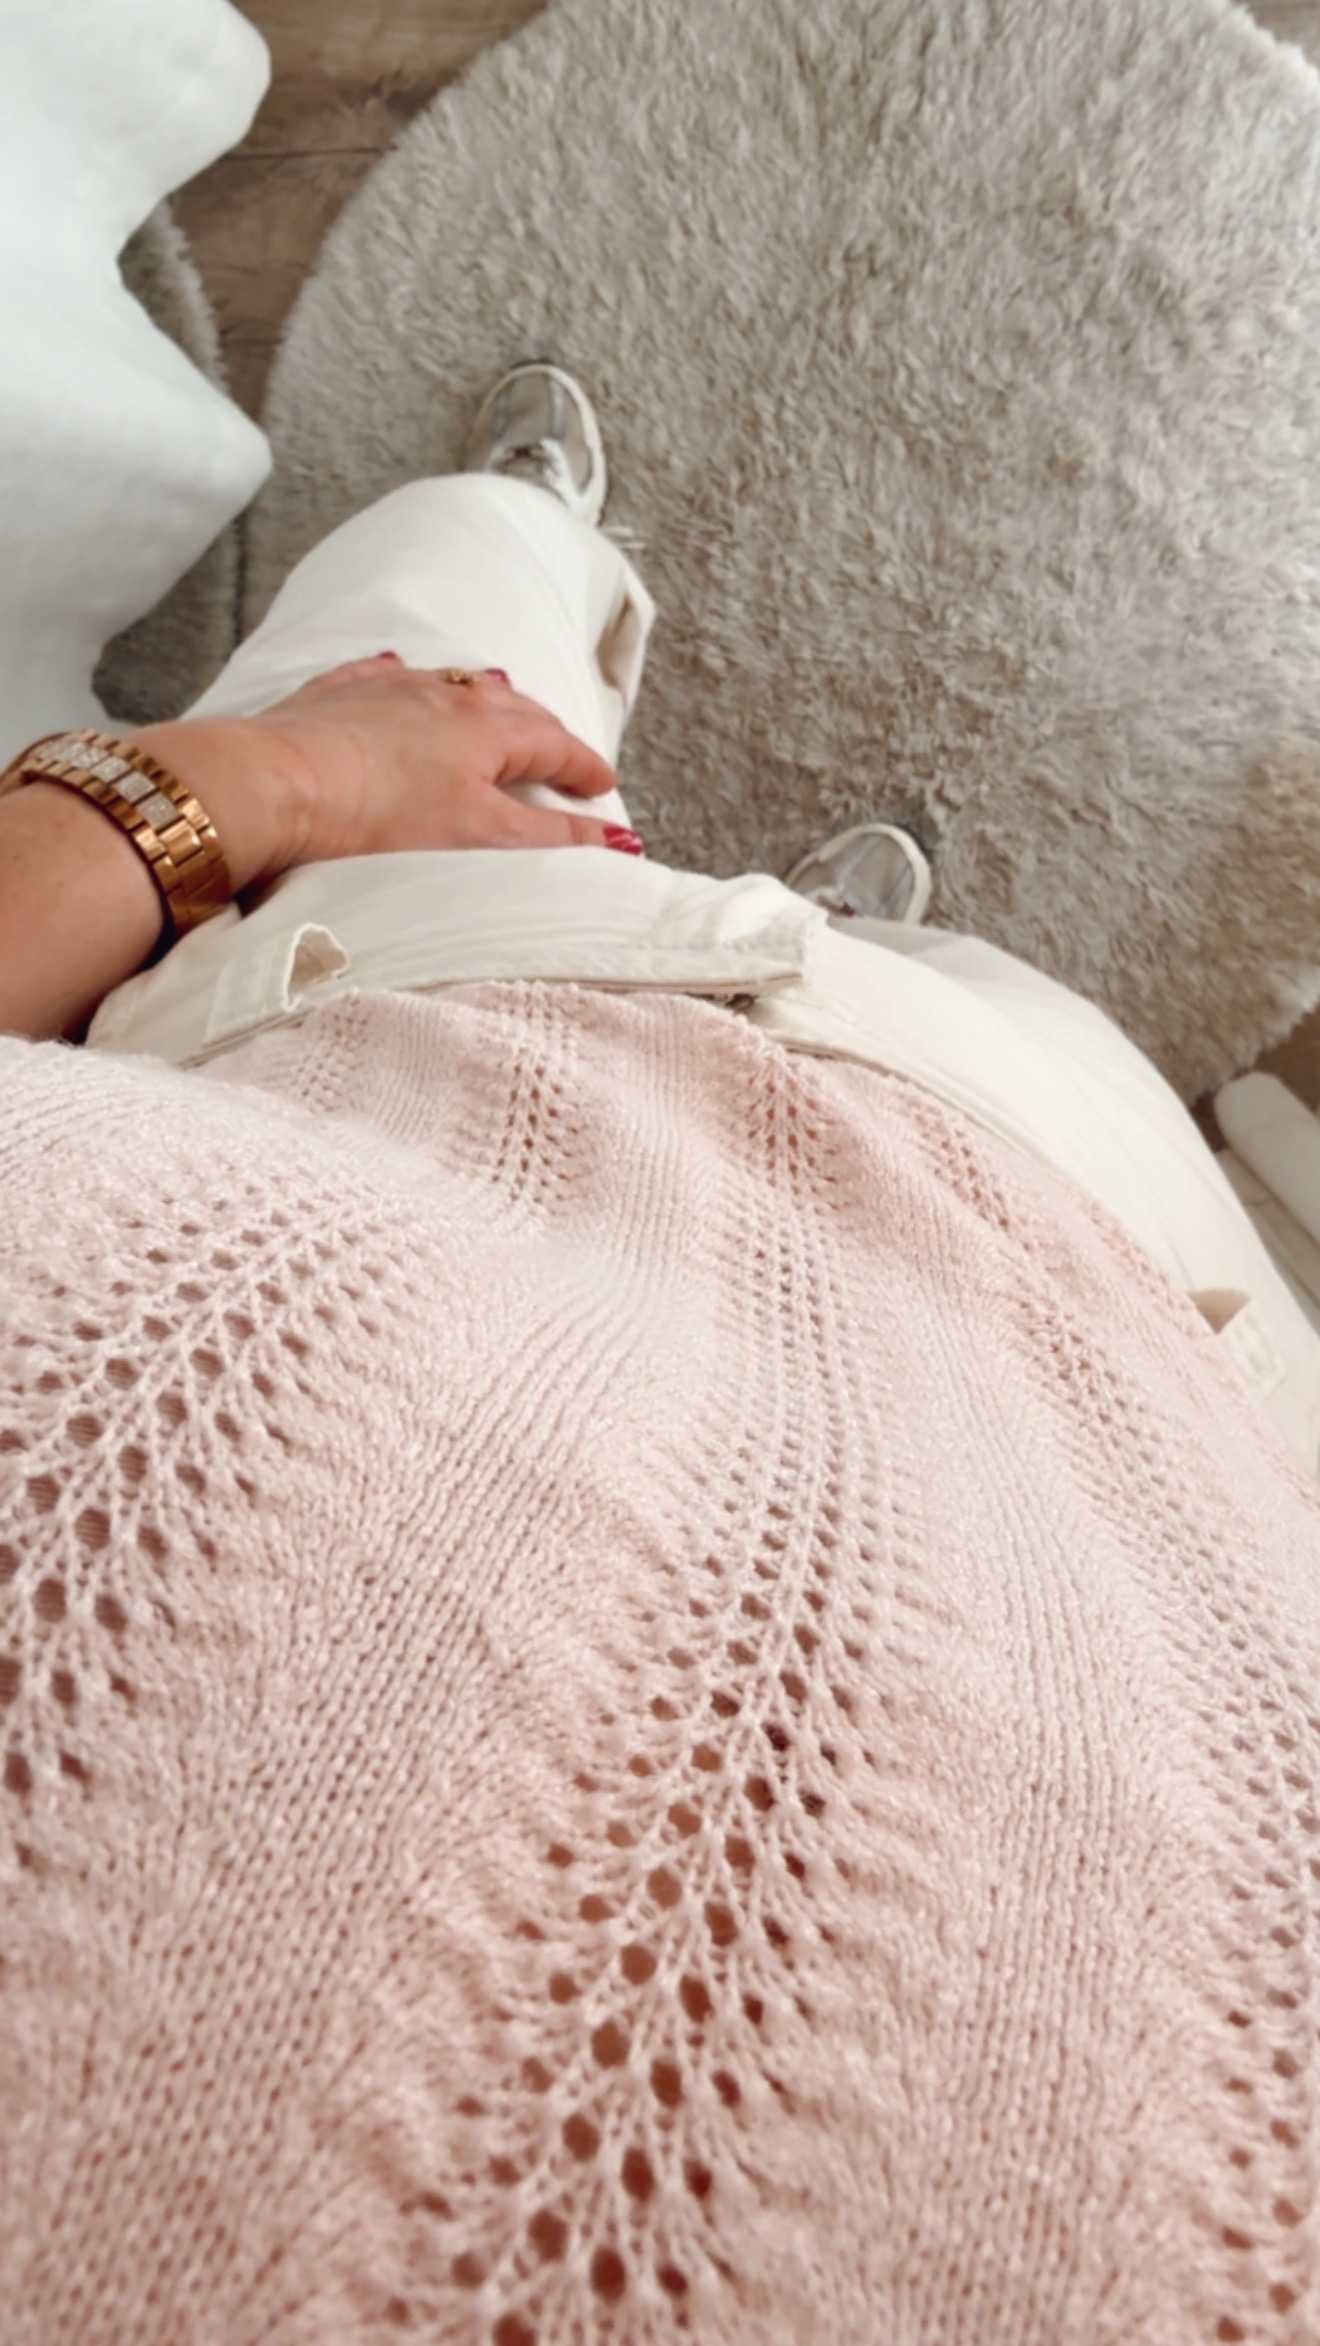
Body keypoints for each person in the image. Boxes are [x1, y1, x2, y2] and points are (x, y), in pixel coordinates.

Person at [3, 369, 1320, 2342]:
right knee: (981, 985)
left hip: (405, 972)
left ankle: (541, 529)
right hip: (1094, 1246)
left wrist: (273, 777)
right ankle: (851, 930)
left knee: (439, 612)